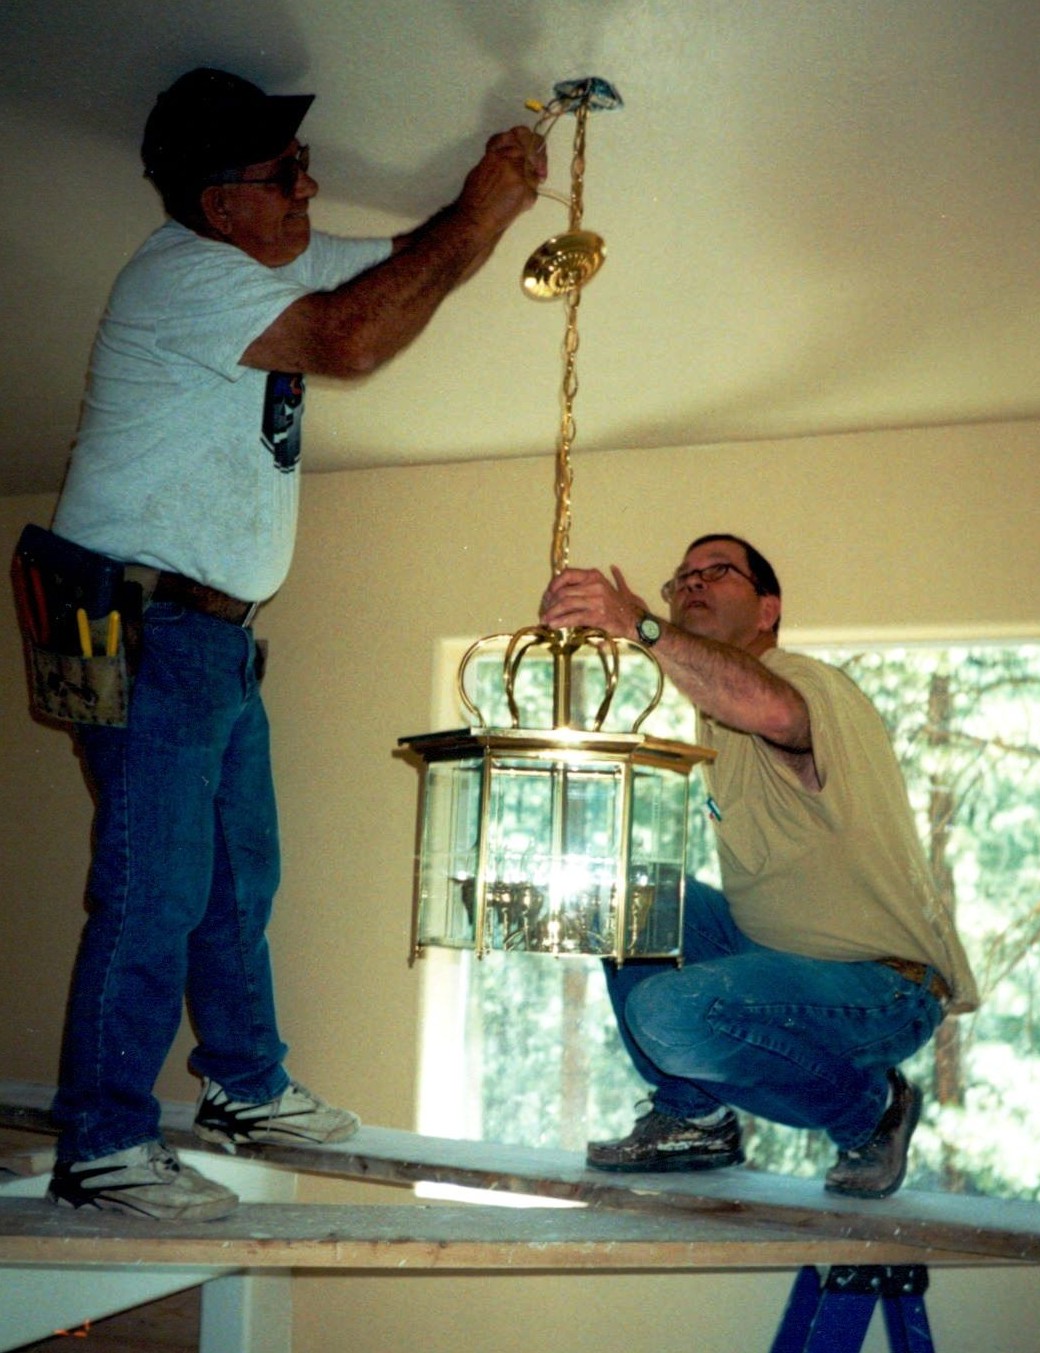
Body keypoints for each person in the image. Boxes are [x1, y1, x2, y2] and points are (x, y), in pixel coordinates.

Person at [44, 67, 545, 1221]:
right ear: (221, 203)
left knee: (237, 877)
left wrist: (486, 211)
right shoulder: (184, 276)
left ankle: (244, 1086)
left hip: (209, 636)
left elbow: (401, 268)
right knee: (154, 891)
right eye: (285, 175)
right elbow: (352, 340)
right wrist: (479, 211)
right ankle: (104, 1146)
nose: (309, 187)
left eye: (303, 166)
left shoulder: (270, 261)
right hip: (142, 625)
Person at [541, 533, 978, 1199]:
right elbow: (722, 692)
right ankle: (694, 1119)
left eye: (718, 571)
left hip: (883, 988)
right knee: (626, 897)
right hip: (779, 961)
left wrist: (639, 625)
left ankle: (871, 1111)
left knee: (668, 1015)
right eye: (681, 578)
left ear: (768, 609)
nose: (693, 584)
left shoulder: (806, 682)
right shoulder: (716, 718)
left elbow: (771, 707)